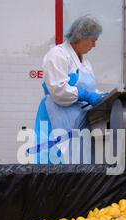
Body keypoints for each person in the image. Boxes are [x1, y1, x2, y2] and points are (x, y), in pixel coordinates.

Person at [33, 15, 107, 164]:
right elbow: (58, 90)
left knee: (79, 166)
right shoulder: (58, 55)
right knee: (55, 166)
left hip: (79, 124)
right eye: (93, 41)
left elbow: (91, 89)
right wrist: (84, 94)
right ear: (81, 37)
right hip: (57, 119)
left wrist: (102, 96)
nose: (94, 46)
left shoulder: (85, 62)